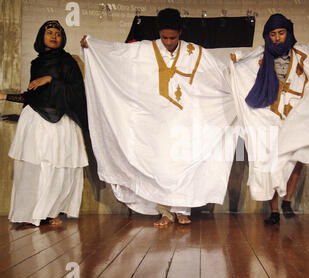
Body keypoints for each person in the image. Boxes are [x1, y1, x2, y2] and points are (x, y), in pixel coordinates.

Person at [80, 8, 237, 227]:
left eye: (173, 37)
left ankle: (183, 210)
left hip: (185, 121)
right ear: (159, 33)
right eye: (165, 37)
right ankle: (164, 211)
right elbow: (117, 53)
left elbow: (221, 73)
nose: (169, 42)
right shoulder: (143, 50)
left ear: (180, 32)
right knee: (161, 166)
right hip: (155, 123)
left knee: (185, 163)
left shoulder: (195, 53)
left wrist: (240, 68)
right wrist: (94, 46)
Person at [229, 14, 309, 224]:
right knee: (269, 162)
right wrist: (236, 58)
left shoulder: (305, 53)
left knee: (296, 156)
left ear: (288, 32)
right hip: (269, 114)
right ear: (267, 37)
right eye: (273, 34)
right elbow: (243, 61)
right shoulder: (261, 55)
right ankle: (274, 211)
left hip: (296, 114)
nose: (277, 38)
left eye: (281, 33)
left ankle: (287, 200)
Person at [0, 20, 89, 227]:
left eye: (57, 33)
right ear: (42, 36)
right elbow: (32, 97)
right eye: (49, 32)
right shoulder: (36, 63)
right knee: (35, 169)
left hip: (60, 124)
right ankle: (32, 213)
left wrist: (51, 79)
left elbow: (77, 94)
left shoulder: (68, 62)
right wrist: (6, 97)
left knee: (56, 169)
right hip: (36, 122)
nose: (54, 36)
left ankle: (51, 212)